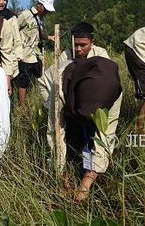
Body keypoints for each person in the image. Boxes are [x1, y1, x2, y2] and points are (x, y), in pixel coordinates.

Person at [38, 57, 122, 201]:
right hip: (56, 89)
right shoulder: (59, 85)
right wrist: (61, 175)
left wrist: (86, 184)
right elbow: (55, 133)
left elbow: (106, 135)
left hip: (79, 101)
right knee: (69, 133)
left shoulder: (113, 92)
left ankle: (85, 166)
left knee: (90, 136)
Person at [15, 0, 56, 103]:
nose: (47, 12)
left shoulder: (40, 19)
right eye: (46, 9)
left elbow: (37, 33)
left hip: (36, 54)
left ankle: (35, 100)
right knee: (24, 80)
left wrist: (49, 37)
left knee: (38, 76)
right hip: (25, 55)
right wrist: (17, 51)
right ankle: (22, 106)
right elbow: (13, 31)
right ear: (40, 5)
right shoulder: (25, 15)